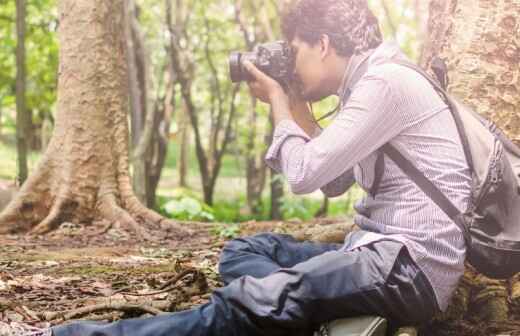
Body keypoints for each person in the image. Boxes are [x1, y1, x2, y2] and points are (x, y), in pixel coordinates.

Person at [5, 0, 471, 335]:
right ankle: (297, 306)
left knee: (246, 301)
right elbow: (333, 182)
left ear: (323, 43)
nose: (292, 62)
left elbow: (305, 175)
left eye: (295, 52)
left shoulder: (384, 84)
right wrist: (295, 100)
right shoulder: (367, 86)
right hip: (374, 256)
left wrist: (277, 105)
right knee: (243, 250)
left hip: (406, 270)